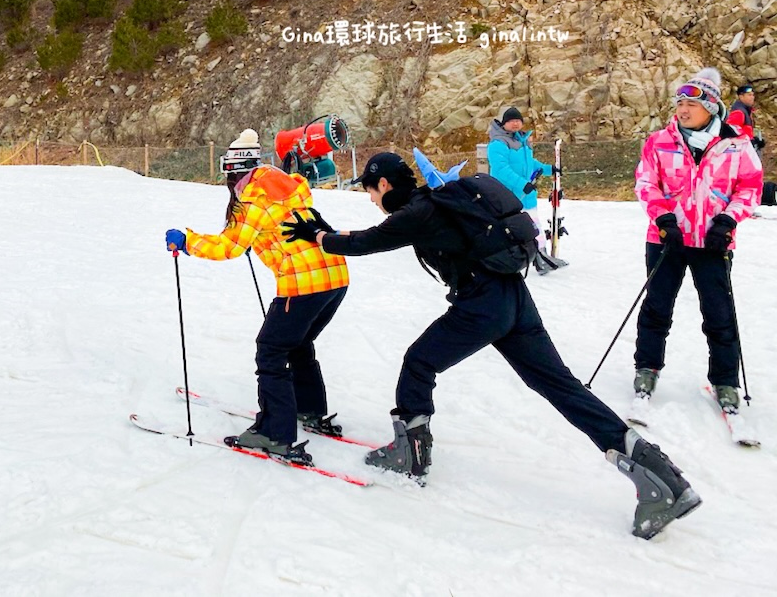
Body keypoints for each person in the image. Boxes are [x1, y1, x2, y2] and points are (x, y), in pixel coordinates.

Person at [282, 151, 701, 539]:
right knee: (562, 387)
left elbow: (367, 242)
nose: (370, 198)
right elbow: (380, 233)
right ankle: (655, 471)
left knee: (418, 363)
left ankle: (410, 453)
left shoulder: (419, 212)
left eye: (369, 190)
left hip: (483, 303)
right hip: (514, 298)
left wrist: (318, 236)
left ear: (385, 185)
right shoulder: (439, 202)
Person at [164, 129, 349, 465]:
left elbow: (229, 246)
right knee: (297, 344)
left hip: (303, 284)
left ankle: (274, 432)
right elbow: (275, 227)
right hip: (335, 277)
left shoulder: (251, 197)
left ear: (235, 170)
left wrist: (187, 241)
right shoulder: (282, 184)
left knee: (271, 350)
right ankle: (308, 409)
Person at [633, 68, 763, 410]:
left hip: (713, 242)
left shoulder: (737, 144)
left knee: (719, 313)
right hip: (667, 239)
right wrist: (663, 218)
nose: (683, 109)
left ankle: (725, 381)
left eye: (691, 103)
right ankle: (646, 368)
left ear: (712, 106)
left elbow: (750, 187)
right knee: (657, 308)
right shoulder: (659, 142)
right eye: (680, 103)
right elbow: (646, 184)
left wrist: (727, 221)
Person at [487, 106, 559, 274]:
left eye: (518, 120)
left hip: (526, 195)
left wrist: (550, 169)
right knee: (510, 230)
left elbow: (531, 164)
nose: (515, 124)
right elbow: (501, 170)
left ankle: (542, 257)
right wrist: (522, 184)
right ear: (503, 124)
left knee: (534, 226)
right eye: (511, 121)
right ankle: (504, 259)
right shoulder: (497, 144)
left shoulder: (523, 141)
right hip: (507, 196)